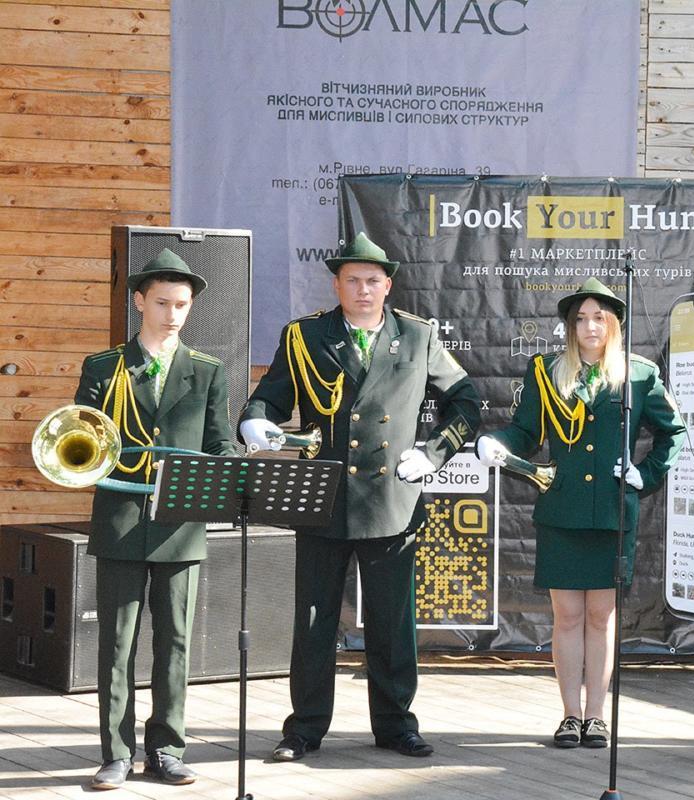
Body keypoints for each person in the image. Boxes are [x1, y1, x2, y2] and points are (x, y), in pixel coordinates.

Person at [239, 232, 481, 761]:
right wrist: (255, 422)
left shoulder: (417, 336)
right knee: (313, 621)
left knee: (392, 622)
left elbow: (466, 401)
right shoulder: (306, 336)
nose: (363, 289)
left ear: (388, 286)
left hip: (391, 498)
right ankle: (304, 729)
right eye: (353, 280)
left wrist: (435, 453)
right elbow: (268, 399)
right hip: (323, 498)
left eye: (373, 280)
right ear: (337, 285)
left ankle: (396, 725)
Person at [475, 278, 685, 748]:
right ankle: (570, 714)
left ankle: (596, 716)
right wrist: (497, 443)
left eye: (599, 318)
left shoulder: (639, 374)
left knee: (602, 617)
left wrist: (645, 473)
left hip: (612, 512)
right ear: (570, 327)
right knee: (567, 616)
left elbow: (674, 432)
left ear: (615, 325)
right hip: (562, 509)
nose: (590, 326)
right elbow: (524, 432)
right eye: (581, 318)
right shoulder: (547, 371)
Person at [75, 249, 236, 789]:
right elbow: (83, 437)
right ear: (139, 302)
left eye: (182, 305)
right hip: (120, 518)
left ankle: (167, 749)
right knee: (116, 644)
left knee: (175, 643)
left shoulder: (208, 370)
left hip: (180, 523)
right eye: (162, 303)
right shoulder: (103, 367)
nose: (172, 314)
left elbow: (217, 444)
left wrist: (235, 466)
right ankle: (116, 754)